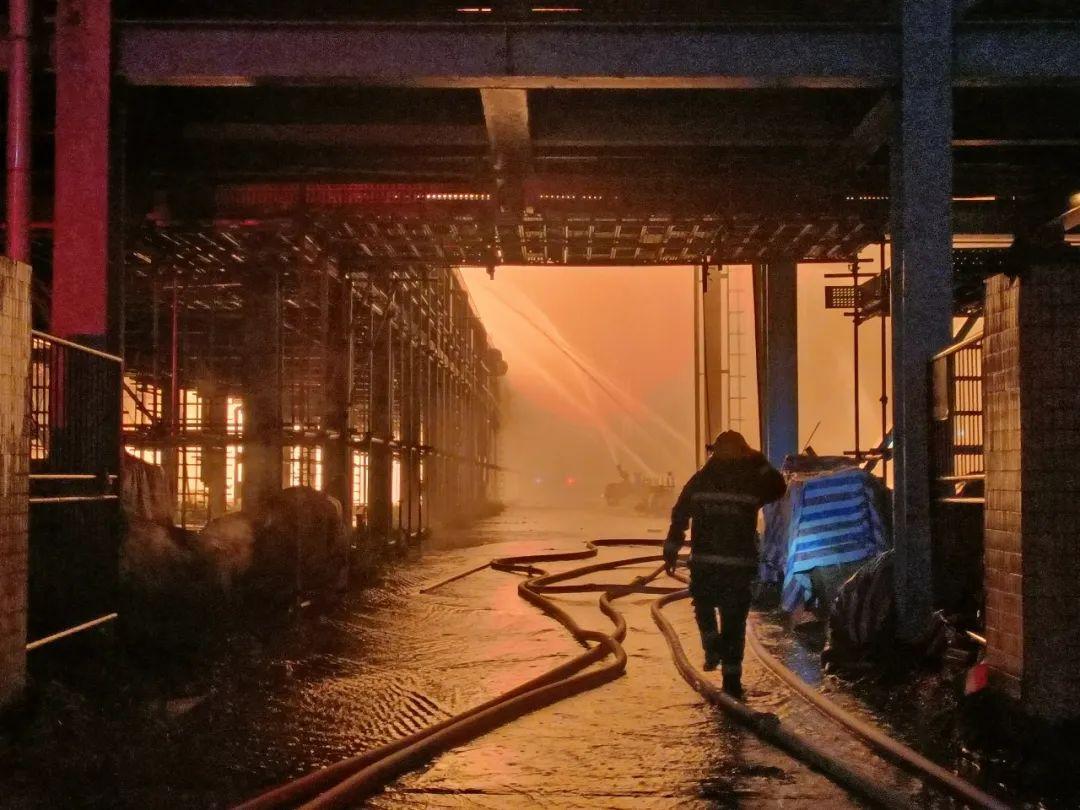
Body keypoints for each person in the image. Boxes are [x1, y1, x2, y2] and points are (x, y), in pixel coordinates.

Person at [663, 430, 786, 697]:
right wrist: (757, 459)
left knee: (704, 604)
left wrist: (671, 548)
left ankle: (710, 645)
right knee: (734, 622)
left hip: (706, 564)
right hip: (738, 567)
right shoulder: (751, 481)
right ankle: (731, 683)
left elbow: (680, 512)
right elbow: (779, 487)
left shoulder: (702, 478)